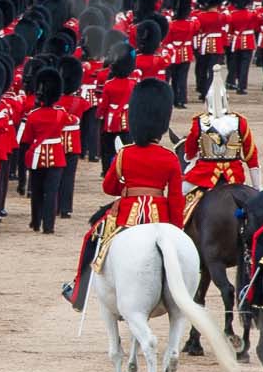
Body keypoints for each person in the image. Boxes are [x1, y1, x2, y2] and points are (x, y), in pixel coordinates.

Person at [64, 78, 181, 309]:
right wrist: (178, 231)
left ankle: (79, 292)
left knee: (92, 238)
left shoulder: (125, 155)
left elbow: (108, 188)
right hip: (162, 216)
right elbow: (176, 199)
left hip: (126, 215)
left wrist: (126, 188)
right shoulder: (170, 157)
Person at [179, 70, 258, 197]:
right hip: (234, 175)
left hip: (204, 174)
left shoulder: (199, 122)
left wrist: (189, 157)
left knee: (181, 192)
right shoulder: (240, 121)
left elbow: (190, 150)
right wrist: (256, 186)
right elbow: (251, 155)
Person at [19, 66, 71, 235]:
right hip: (56, 156)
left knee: (37, 190)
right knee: (51, 192)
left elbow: (26, 139)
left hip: (37, 156)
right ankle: (49, 225)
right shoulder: (61, 114)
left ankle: (35, 221)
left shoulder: (33, 115)